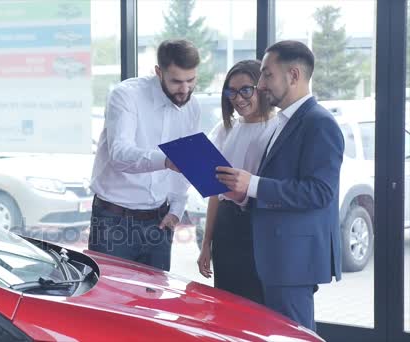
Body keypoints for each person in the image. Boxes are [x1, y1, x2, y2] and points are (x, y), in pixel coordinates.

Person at [215, 40, 343, 331]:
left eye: (267, 75)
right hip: (273, 256)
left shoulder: (319, 122)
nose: (260, 84)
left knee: (291, 335)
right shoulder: (286, 120)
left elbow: (321, 192)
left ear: (294, 75)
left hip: (292, 262)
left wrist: (254, 185)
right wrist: (244, 194)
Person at [88, 39, 201, 271]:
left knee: (152, 302)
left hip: (160, 222)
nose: (185, 89)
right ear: (158, 72)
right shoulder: (126, 96)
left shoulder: (192, 106)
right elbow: (119, 154)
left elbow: (189, 162)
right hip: (114, 221)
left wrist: (177, 209)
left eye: (191, 80)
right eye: (177, 81)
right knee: (110, 302)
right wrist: (167, 160)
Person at [196, 60, 276, 304]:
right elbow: (215, 191)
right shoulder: (225, 129)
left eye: (245, 90)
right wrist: (207, 243)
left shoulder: (277, 127)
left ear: (261, 87)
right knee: (228, 303)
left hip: (259, 227)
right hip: (227, 227)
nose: (238, 98)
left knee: (259, 305)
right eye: (232, 92)